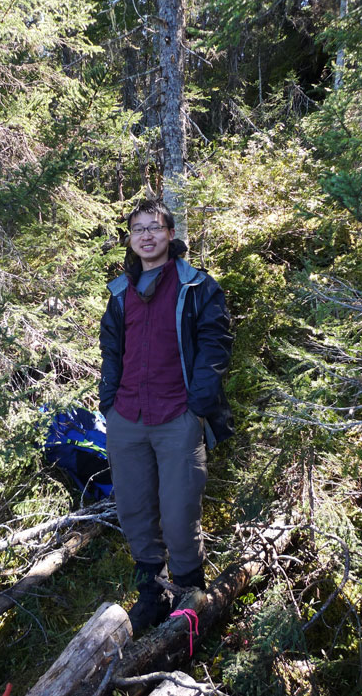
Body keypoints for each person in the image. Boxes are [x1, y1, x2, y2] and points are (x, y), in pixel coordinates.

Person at [99, 199, 233, 635]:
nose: (146, 236)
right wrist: (108, 404)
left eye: (154, 228)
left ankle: (189, 596)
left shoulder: (197, 287)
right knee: (135, 511)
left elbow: (216, 345)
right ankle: (151, 594)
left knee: (179, 513)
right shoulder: (120, 291)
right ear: (131, 239)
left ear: (170, 234)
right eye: (137, 229)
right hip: (127, 418)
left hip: (178, 415)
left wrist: (198, 404)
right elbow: (111, 352)